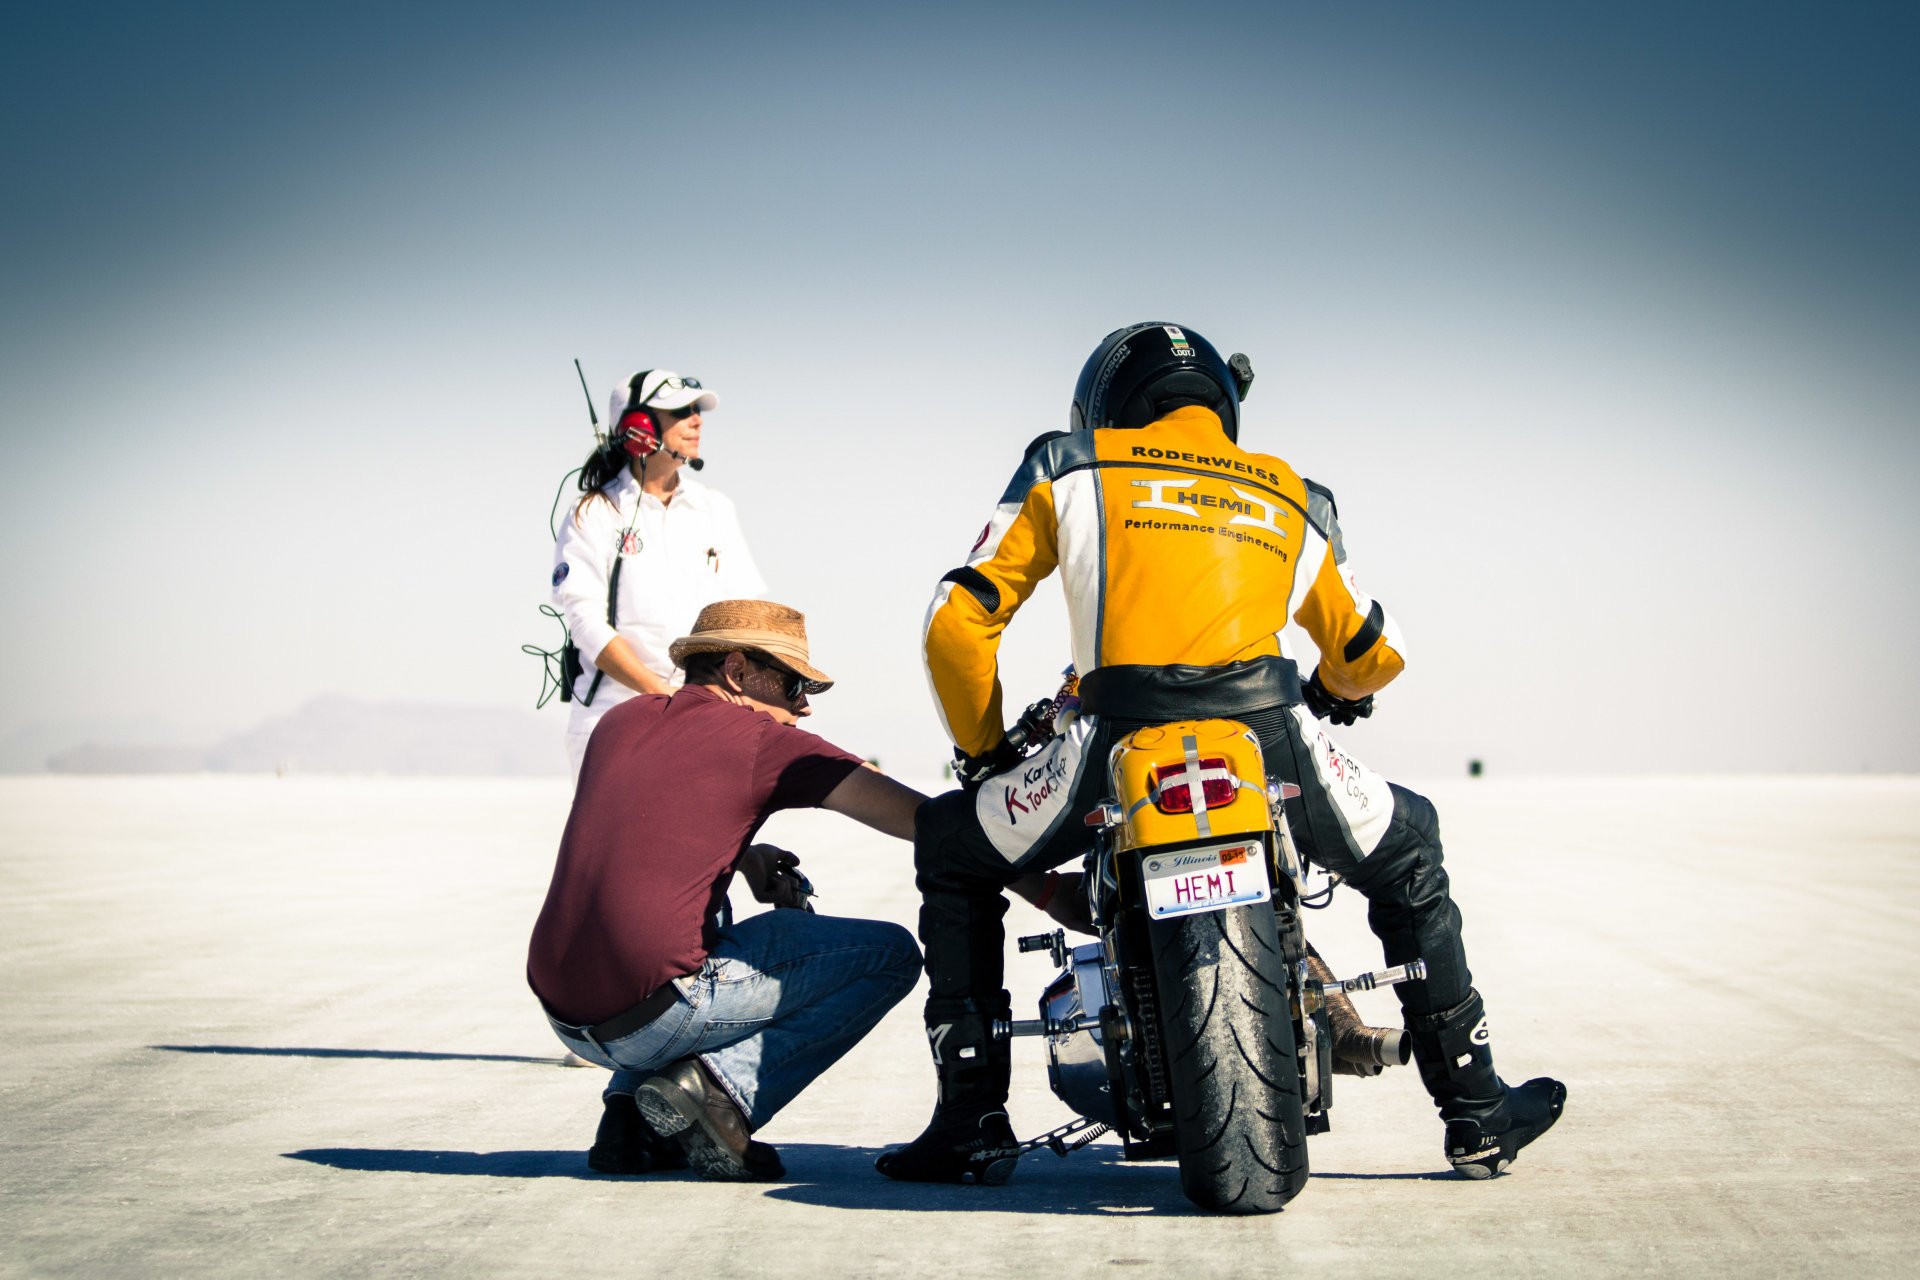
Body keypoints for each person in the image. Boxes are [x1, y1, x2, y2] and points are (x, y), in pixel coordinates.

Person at [878, 322, 1566, 1185]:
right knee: (1412, 849)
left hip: (1110, 737)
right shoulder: (1293, 493)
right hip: (1271, 734)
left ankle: (971, 1121)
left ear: (1107, 405)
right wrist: (1335, 697)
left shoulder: (1067, 463)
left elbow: (956, 625)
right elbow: (1370, 651)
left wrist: (983, 756)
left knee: (951, 851)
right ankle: (1476, 1116)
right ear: (1221, 403)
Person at [527, 599, 925, 1180]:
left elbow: (645, 836)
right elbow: (926, 822)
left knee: (698, 910)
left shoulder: (621, 721)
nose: (804, 706)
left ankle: (627, 1122)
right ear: (739, 671)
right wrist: (1045, 888)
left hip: (566, 1015)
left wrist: (744, 858)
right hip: (656, 1017)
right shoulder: (766, 741)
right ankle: (720, 1097)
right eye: (792, 684)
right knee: (889, 956)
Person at [552, 368, 765, 778]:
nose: (697, 420)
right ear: (638, 427)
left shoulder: (715, 508)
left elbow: (746, 614)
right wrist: (660, 693)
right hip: (614, 718)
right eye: (681, 411)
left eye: (697, 410)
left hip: (705, 716)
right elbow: (584, 621)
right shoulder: (595, 513)